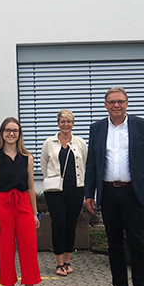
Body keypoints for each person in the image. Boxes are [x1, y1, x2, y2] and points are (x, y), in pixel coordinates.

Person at [85, 87, 144, 286]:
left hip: (133, 193)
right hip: (108, 193)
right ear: (105, 104)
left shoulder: (141, 125)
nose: (116, 105)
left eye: (120, 101)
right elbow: (92, 164)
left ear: (127, 103)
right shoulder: (97, 128)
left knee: (138, 246)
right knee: (114, 246)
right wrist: (89, 193)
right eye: (111, 102)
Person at [0, 117, 44, 286]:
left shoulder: (27, 157)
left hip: (23, 205)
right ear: (2, 133)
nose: (11, 134)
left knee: (28, 247)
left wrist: (35, 213)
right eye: (8, 130)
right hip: (3, 205)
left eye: (15, 131)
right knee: (6, 249)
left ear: (19, 134)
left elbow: (30, 187)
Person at [40, 109, 87, 276]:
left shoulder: (80, 143)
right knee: (58, 224)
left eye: (69, 121)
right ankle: (59, 263)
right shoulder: (49, 143)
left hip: (76, 190)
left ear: (73, 124)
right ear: (58, 123)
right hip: (55, 191)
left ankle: (68, 261)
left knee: (70, 225)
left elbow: (85, 163)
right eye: (63, 121)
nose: (66, 124)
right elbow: (44, 164)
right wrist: (52, 179)